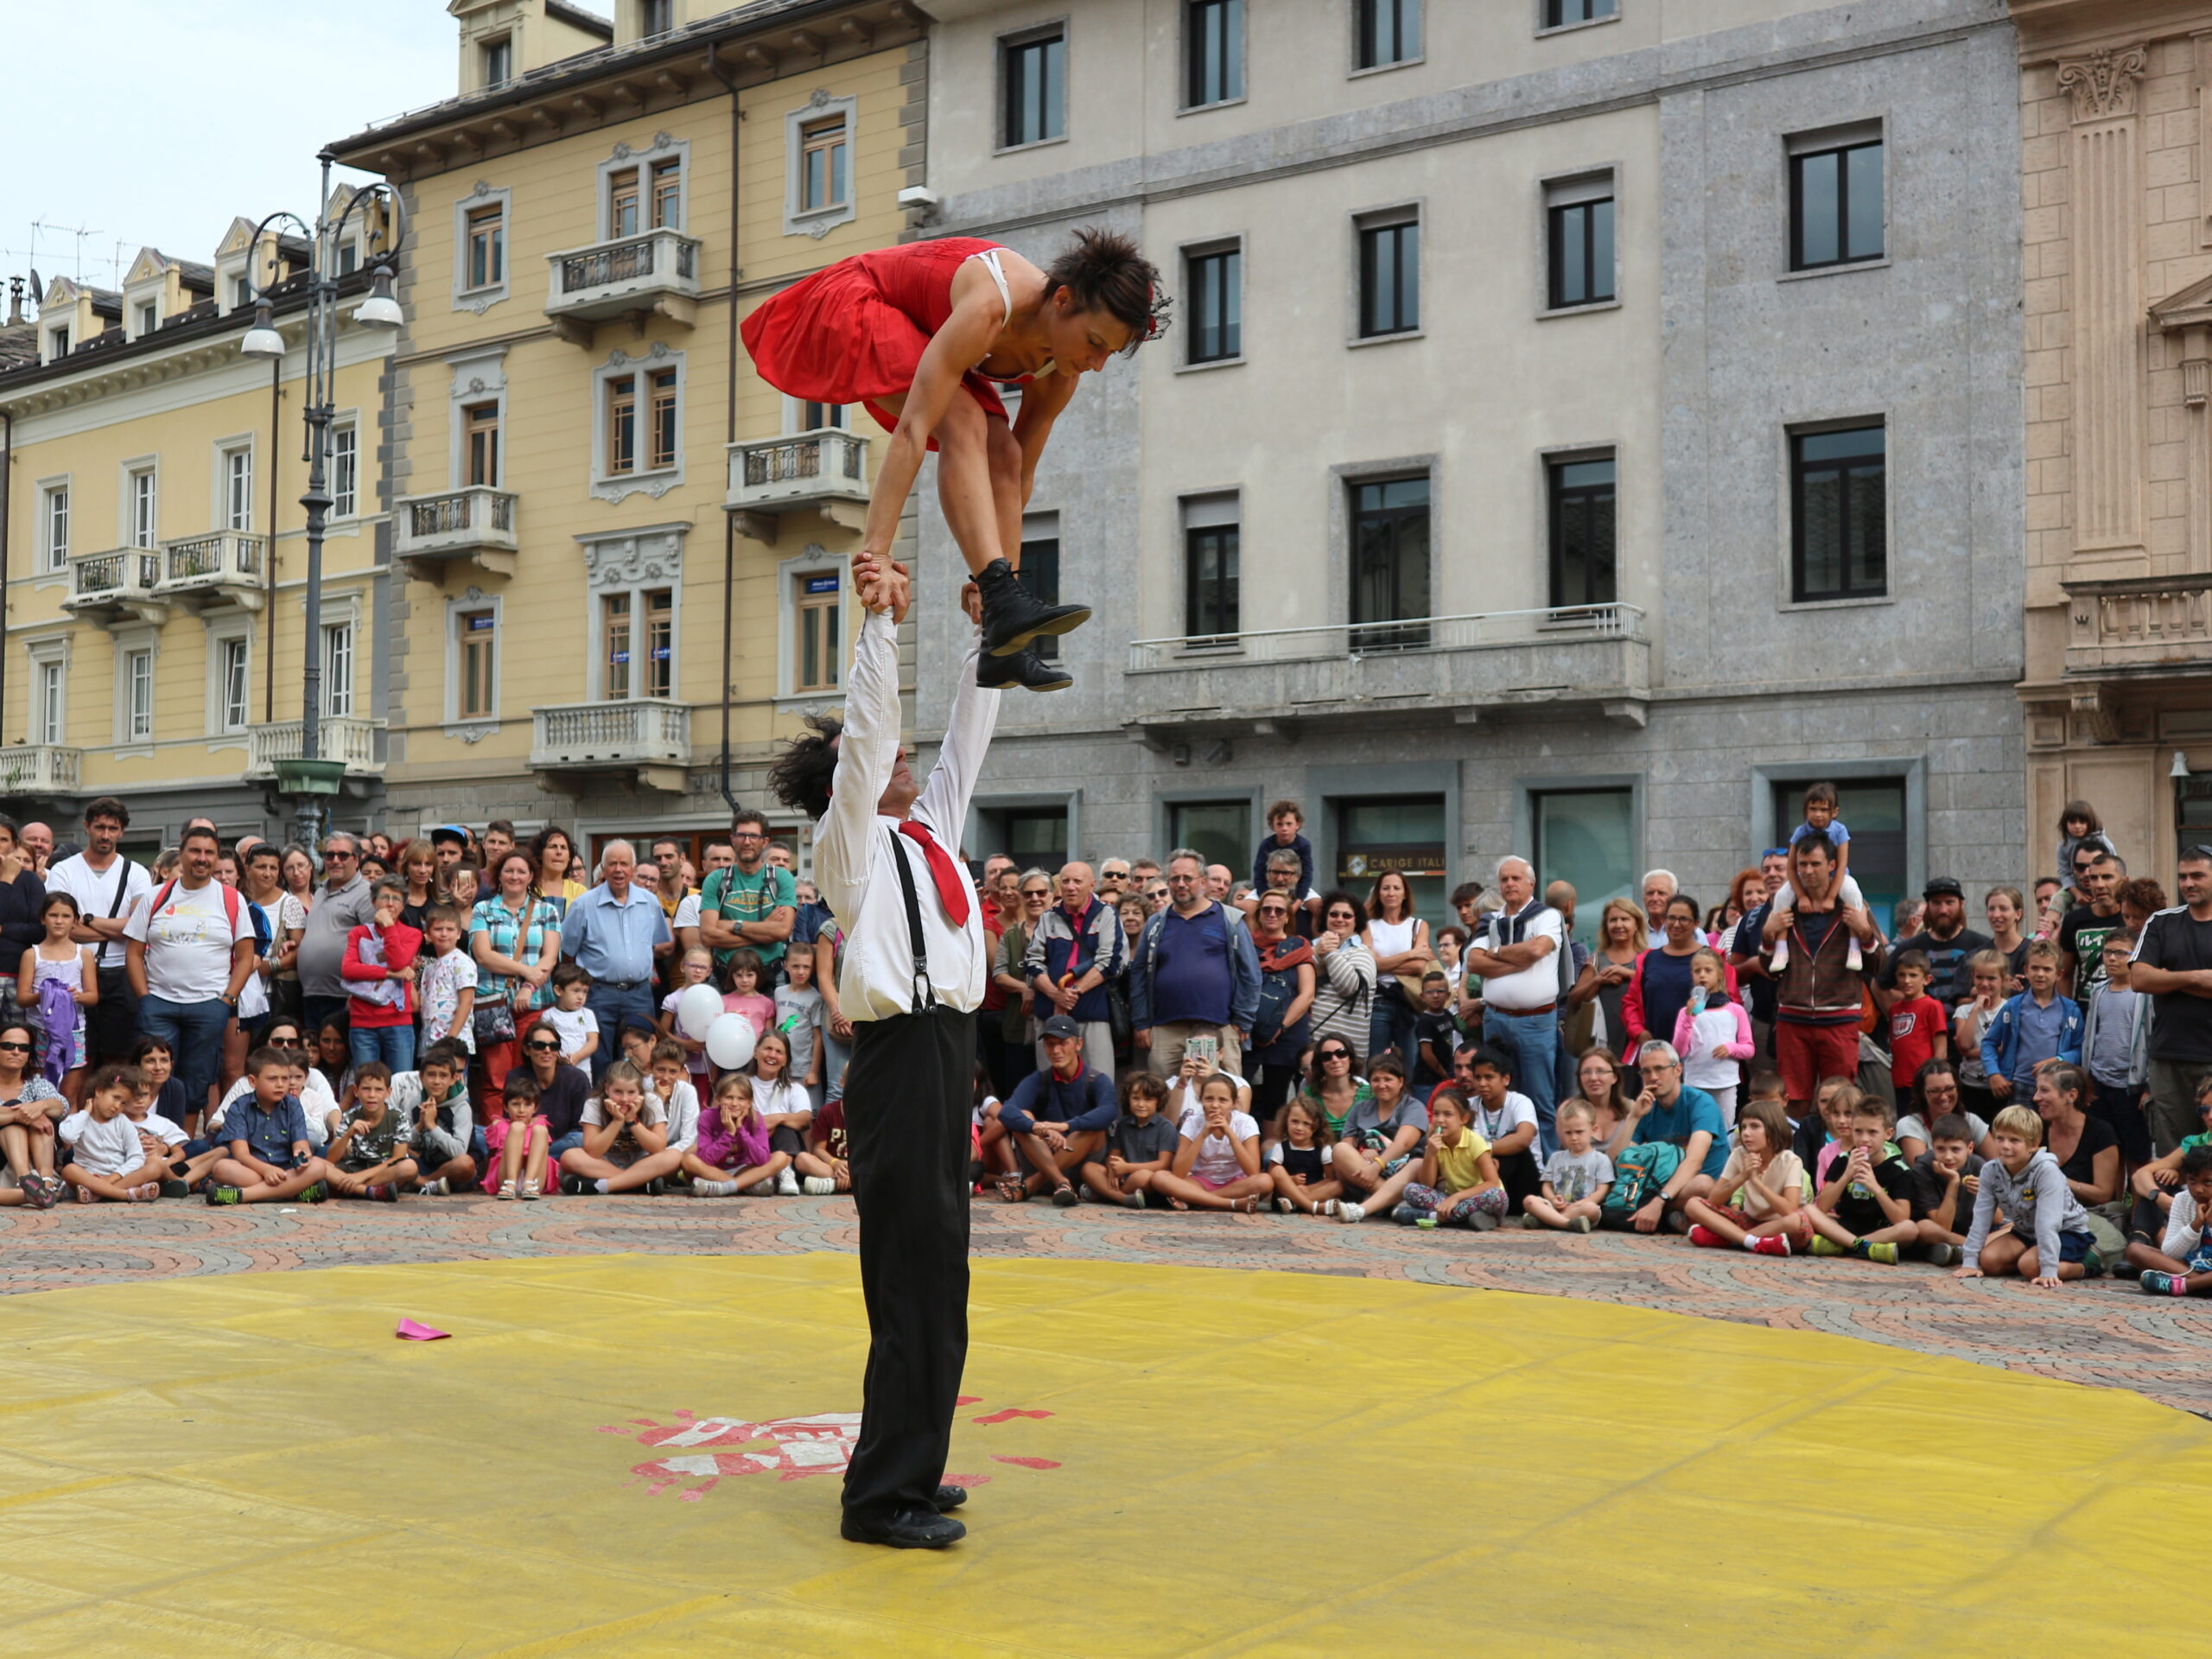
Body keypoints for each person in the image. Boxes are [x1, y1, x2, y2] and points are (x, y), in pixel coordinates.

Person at [766, 549, 998, 1550]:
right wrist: (881, 625)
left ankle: (917, 1466)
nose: (908, 759)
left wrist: (988, 635)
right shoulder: (847, 845)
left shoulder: (932, 831)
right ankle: (878, 1499)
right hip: (898, 1062)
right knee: (908, 1275)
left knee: (941, 1272)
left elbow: (970, 736)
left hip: (950, 1050)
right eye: (889, 756)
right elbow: (865, 741)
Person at [743, 228, 1163, 694]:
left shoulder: (1060, 373)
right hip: (855, 298)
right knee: (963, 420)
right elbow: (912, 430)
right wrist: (877, 556)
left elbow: (1015, 473)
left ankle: (1002, 636)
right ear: (1062, 300)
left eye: (1109, 353)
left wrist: (1000, 584)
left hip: (920, 330)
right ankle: (1003, 596)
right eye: (1094, 342)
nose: (1097, 363)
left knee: (1004, 449)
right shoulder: (990, 307)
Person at [125, 826, 256, 1125]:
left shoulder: (232, 899)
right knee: (150, 1077)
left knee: (196, 1082)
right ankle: (148, 1137)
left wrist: (226, 1000)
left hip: (209, 1005)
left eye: (209, 852)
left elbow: (245, 957)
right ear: (181, 853)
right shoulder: (156, 896)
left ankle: (181, 1143)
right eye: (195, 851)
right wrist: (145, 997)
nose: (202, 858)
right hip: (159, 1002)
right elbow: (133, 952)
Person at [1760, 830, 1884, 1117]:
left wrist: (1865, 932)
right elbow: (1769, 969)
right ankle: (1797, 1147)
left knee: (1841, 1101)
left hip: (1840, 1018)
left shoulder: (1853, 905)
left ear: (1832, 865)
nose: (1807, 871)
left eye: (1815, 864)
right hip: (1792, 1019)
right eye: (1802, 864)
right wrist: (1767, 937)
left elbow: (1879, 965)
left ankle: (1838, 1148)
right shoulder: (1785, 907)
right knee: (1794, 1100)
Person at [1460, 857, 1568, 1155]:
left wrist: (1494, 952)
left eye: (1516, 878)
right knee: (1498, 1096)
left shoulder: (1547, 916)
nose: (1509, 884)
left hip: (1535, 1021)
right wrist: (1518, 961)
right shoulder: (1489, 919)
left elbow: (1537, 949)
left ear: (1531, 883)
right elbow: (1474, 962)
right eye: (1504, 879)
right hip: (1495, 1019)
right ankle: (1510, 1162)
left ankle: (1545, 1166)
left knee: (1539, 1098)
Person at [42, 798, 153, 1069]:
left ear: (121, 831)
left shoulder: (136, 872)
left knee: (121, 1056)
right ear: (87, 827)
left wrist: (88, 920)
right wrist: (120, 929)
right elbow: (61, 925)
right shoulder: (64, 870)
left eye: (112, 829)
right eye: (100, 827)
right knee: (78, 1058)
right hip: (74, 970)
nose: (105, 835)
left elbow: (139, 927)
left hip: (121, 971)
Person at [1128, 850, 1252, 1078]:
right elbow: (1139, 975)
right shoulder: (1156, 923)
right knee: (1164, 1095)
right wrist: (1141, 1022)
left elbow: (1250, 973)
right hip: (1165, 1030)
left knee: (1217, 1095)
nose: (1181, 884)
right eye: (1175, 879)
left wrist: (1242, 1021)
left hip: (1218, 1028)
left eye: (1187, 878)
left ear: (1203, 881)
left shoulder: (1230, 920)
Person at [559, 841, 670, 1080]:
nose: (618, 869)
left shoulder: (650, 902)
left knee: (640, 1060)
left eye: (624, 864)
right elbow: (567, 952)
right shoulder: (584, 904)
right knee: (599, 1060)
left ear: (633, 868)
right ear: (603, 868)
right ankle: (601, 1103)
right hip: (599, 994)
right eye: (612, 864)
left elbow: (654, 944)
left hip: (640, 994)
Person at [1958, 1103, 2102, 1285]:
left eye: (2014, 1140)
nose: (2005, 1146)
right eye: (2000, 1138)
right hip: (2026, 1231)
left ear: (2033, 1145)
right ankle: (2027, 1261)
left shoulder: (2046, 1171)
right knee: (1989, 1261)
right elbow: (1981, 1217)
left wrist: (2048, 1270)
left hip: (2066, 1231)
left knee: (2030, 1266)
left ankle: (2088, 1265)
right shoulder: (1990, 1170)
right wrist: (1970, 1261)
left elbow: (2048, 1223)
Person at [2127, 844, 2212, 1156]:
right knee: (2171, 1155)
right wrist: (2196, 978)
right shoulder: (2161, 922)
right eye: (2183, 877)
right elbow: (2140, 979)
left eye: (2197, 875)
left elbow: (2153, 979)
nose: (2188, 883)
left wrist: (2167, 978)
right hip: (2169, 1057)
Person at [471, 851, 563, 1117]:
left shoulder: (547, 911)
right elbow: (483, 955)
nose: (515, 876)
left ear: (531, 876)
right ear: (499, 875)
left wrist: (528, 986)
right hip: (493, 1004)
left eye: (521, 871)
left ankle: (528, 1134)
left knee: (529, 1075)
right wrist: (525, 971)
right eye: (509, 871)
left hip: (534, 1004)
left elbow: (550, 957)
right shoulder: (483, 909)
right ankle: (495, 1136)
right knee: (495, 1078)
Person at [1605, 1040, 1725, 1232]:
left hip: (1692, 1187)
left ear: (1677, 1070)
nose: (1653, 1077)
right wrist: (1633, 1117)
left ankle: (1654, 1212)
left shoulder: (1701, 1103)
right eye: (1646, 1071)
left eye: (1659, 1069)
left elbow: (1694, 1162)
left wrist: (1659, 1201)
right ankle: (1667, 1216)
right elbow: (1614, 1162)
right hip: (1657, 1187)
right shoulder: (1646, 1106)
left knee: (1702, 1185)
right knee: (1609, 1185)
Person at [1023, 861, 1126, 1074]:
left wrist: (1073, 993)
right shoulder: (1047, 918)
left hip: (1093, 1013)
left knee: (1097, 1080)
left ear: (1092, 885)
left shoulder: (1107, 915)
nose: (1070, 887)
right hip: (1050, 1014)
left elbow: (1111, 961)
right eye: (1065, 881)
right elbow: (1032, 962)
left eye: (1077, 881)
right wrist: (1055, 995)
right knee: (1051, 1081)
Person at [1681, 1096, 1809, 1255]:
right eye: (1744, 1127)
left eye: (1755, 1126)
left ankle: (1730, 1239)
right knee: (1693, 1204)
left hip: (1779, 1224)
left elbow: (1789, 1210)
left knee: (1796, 1220)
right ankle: (1752, 1241)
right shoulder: (1739, 1154)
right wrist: (1743, 1176)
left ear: (1773, 1129)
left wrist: (1756, 1182)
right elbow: (1714, 1199)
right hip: (1750, 1221)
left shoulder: (1790, 1160)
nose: (1746, 1133)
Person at [205, 1048, 332, 1206]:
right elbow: (241, 1154)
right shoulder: (239, 1107)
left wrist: (302, 1154)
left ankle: (243, 1195)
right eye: (272, 1079)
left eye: (285, 1078)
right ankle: (293, 1193)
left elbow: (301, 1144)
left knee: (318, 1166)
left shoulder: (293, 1105)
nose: (280, 1085)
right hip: (253, 1170)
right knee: (222, 1168)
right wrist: (266, 1170)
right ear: (253, 1081)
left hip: (287, 1170)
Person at [1802, 1094, 1915, 1263]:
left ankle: (1845, 1246)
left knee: (1910, 1229)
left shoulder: (1898, 1169)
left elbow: (1901, 1218)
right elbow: (1823, 1206)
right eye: (1858, 1131)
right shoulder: (1843, 1159)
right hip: (1845, 1225)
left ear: (1888, 1134)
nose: (1864, 1139)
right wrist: (1847, 1175)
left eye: (1872, 1132)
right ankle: (1861, 1246)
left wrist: (1875, 1187)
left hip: (1880, 1230)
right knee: (1808, 1210)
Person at [1764, 784, 1867, 962]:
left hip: (1838, 877)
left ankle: (1854, 945)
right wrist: (1802, 896)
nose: (1818, 814)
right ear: (1805, 810)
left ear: (1834, 812)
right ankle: (1781, 948)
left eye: (1823, 810)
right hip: (1803, 881)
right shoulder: (1800, 832)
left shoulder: (1840, 830)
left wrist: (1831, 897)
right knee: (1781, 896)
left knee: (1852, 892)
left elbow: (1841, 865)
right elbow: (1791, 867)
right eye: (1813, 809)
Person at [558, 1058, 683, 1195]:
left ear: (640, 1092)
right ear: (607, 1089)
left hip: (643, 1164)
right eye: (618, 1092)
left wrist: (632, 1120)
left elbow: (658, 1147)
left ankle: (603, 1186)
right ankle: (639, 1184)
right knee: (569, 1157)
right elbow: (593, 1152)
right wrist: (617, 1121)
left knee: (674, 1156)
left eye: (631, 1092)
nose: (624, 1099)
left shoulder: (652, 1101)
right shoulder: (594, 1104)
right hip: (604, 1164)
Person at [1147, 1072, 1268, 1213]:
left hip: (1236, 1183)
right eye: (1209, 1099)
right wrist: (1203, 1134)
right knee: (1160, 1177)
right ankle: (1229, 1203)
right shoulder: (1192, 1122)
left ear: (1234, 1103)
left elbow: (1253, 1171)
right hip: (1200, 1181)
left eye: (1223, 1100)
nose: (1215, 1105)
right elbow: (1179, 1172)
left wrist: (1230, 1134)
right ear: (1201, 1099)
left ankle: (1197, 1200)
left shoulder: (1246, 1122)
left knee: (1265, 1181)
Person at [2079, 929, 2150, 1169]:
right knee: (2107, 1150)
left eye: (2120, 953)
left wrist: (2148, 1086)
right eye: (2107, 952)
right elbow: (2090, 1037)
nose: (2111, 958)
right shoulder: (2098, 991)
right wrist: (2087, 1078)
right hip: (2099, 1083)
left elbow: (2152, 1040)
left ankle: (2138, 1195)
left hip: (2130, 1088)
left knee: (2136, 1153)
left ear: (2135, 956)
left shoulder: (2145, 995)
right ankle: (2112, 1193)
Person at [1980, 941, 2083, 1105]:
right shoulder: (2013, 1007)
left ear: (2059, 974)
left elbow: (2080, 1050)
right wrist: (1994, 1073)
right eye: (2035, 968)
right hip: (2019, 1085)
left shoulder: (2071, 1010)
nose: (2040, 974)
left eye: (2047, 969)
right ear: (2026, 970)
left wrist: (2057, 1060)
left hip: (2056, 1088)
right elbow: (1988, 1043)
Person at [700, 809, 798, 982]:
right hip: (725, 976)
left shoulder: (781, 878)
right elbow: (707, 936)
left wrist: (734, 925)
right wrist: (765, 929)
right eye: (741, 836)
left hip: (771, 976)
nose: (747, 842)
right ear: (732, 839)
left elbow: (782, 931)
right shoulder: (715, 879)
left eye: (753, 836)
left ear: (765, 842)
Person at [1244, 892, 1315, 1127]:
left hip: (1287, 1034)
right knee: (1238, 1090)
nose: (1272, 914)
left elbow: (1307, 994)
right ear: (1259, 914)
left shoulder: (1299, 947)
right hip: (1247, 1031)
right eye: (1266, 909)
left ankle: (1270, 1147)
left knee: (1276, 1101)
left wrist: (1280, 1027)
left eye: (1279, 910)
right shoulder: (1244, 944)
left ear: (1288, 917)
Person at [1328, 1055, 1424, 1224]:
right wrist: (1362, 1153)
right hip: (1364, 1172)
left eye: (1388, 1079)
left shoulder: (1413, 1107)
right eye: (1376, 1080)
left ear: (1401, 1081)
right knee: (1339, 1150)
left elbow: (1403, 1144)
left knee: (1418, 1164)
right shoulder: (1360, 1109)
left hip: (1400, 1172)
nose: (1381, 1085)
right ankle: (1391, 1202)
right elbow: (1346, 1144)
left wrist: (1377, 1165)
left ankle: (1365, 1208)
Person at [340, 879, 422, 1074]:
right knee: (366, 1082)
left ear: (403, 906)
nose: (390, 904)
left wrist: (389, 927)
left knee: (400, 1082)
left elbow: (399, 962)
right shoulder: (359, 933)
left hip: (398, 1021)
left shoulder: (413, 934)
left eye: (396, 899)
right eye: (385, 897)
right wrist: (389, 974)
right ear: (373, 901)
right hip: (362, 1021)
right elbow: (348, 969)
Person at [1393, 1089, 1506, 1230]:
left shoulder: (1475, 1142)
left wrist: (1457, 1197)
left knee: (1496, 1196)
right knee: (1411, 1190)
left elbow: (1493, 1183)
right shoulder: (1436, 1141)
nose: (1440, 1120)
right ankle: (1469, 1219)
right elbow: (1427, 1184)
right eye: (1436, 1114)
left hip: (1479, 1198)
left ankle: (1432, 1217)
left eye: (1448, 1114)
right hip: (1452, 1200)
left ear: (1464, 1119)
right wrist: (1430, 1154)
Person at [20, 892, 94, 1100]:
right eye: (53, 915)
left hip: (73, 1032)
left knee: (69, 1093)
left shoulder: (84, 955)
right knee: (40, 1090)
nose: (59, 921)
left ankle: (69, 1123)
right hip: (39, 1031)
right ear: (43, 918)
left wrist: (77, 996)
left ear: (75, 920)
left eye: (66, 916)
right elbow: (22, 998)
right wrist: (43, 996)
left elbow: (93, 996)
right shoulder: (32, 955)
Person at [57, 1064, 168, 1203]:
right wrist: (85, 1112)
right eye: (116, 1098)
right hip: (90, 1178)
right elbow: (68, 1137)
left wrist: (113, 1177)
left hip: (120, 1177)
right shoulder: (79, 1120)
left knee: (155, 1166)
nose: (117, 1106)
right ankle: (125, 1195)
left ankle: (98, 1194)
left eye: (123, 1103)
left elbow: (137, 1157)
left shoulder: (122, 1122)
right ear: (99, 1091)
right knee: (69, 1170)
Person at [1881, 877, 1993, 1009]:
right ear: (1928, 906)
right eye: (1936, 903)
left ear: (1961, 904)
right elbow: (1879, 985)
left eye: (1949, 902)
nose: (1943, 910)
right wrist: (1895, 1017)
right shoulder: (1908, 947)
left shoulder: (1982, 945)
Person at [1671, 946, 1753, 1127]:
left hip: (1725, 1082)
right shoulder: (1685, 1012)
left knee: (1723, 1127)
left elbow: (1748, 1049)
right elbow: (1678, 1050)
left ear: (1720, 974)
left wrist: (1731, 1048)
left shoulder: (1735, 1010)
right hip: (1695, 1082)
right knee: (1695, 1126)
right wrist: (1689, 1018)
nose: (1702, 975)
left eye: (1708, 970)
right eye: (1697, 971)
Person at [1360, 870, 1432, 1072]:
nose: (1391, 893)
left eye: (1396, 888)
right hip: (1378, 1001)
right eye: (1386, 888)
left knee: (1409, 1065)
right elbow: (1371, 964)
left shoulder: (1418, 925)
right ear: (1378, 893)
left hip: (1408, 1001)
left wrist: (1383, 963)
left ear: (1405, 893)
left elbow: (1419, 966)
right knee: (1376, 1063)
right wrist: (1410, 954)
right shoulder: (1368, 926)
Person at [683, 1072, 790, 1197]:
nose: (734, 1103)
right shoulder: (707, 1117)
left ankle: (726, 1187)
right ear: (719, 1099)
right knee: (688, 1160)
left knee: (781, 1157)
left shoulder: (756, 1119)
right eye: (729, 1097)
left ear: (749, 1103)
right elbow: (705, 1160)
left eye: (741, 1099)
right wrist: (729, 1133)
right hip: (713, 1170)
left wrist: (741, 1131)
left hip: (744, 1169)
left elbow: (762, 1160)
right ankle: (746, 1186)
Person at [2126, 1143, 2212, 1294]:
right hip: (2192, 1265)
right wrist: (2195, 1226)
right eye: (2192, 1180)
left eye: (2208, 1182)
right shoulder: (2182, 1200)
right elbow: (2171, 1252)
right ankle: (2201, 1284)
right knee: (2135, 1250)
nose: (2198, 1189)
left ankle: (2185, 1286)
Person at [1519, 1099, 1614, 1232]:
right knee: (1529, 1200)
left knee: (1591, 1209)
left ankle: (1547, 1220)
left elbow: (1602, 1190)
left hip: (1580, 1209)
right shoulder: (1556, 1157)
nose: (1574, 1137)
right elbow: (1547, 1185)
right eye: (1568, 1133)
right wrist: (1553, 1199)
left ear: (1593, 1130)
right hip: (1556, 1207)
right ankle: (1567, 1223)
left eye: (1579, 1132)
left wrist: (1579, 1204)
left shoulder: (1601, 1159)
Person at [322, 1063, 415, 1202]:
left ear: (388, 1092)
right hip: (352, 1169)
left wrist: (360, 1177)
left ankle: (346, 1189)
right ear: (356, 1091)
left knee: (409, 1166)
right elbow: (331, 1159)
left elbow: (398, 1158)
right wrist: (348, 1134)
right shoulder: (350, 1117)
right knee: (317, 1164)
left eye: (378, 1090)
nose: (372, 1095)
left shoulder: (397, 1118)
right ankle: (368, 1191)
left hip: (382, 1172)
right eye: (366, 1089)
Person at [394, 1042, 477, 1195]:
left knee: (465, 1163)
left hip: (452, 1170)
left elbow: (459, 1151)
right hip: (424, 1164)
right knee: (393, 1150)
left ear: (453, 1079)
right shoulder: (416, 1103)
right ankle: (429, 1185)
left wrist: (432, 1126)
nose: (437, 1081)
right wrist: (420, 1125)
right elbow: (406, 1143)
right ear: (421, 1077)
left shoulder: (461, 1107)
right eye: (431, 1075)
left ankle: (423, 1183)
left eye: (443, 1076)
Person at [0, 1019, 66, 1207]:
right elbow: (17, 1114)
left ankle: (44, 1182)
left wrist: (41, 1106)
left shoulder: (36, 1083)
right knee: (17, 1112)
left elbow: (61, 1107)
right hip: (2, 1157)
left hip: (37, 1155)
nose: (16, 1052)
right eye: (8, 1046)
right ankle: (27, 1182)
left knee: (43, 1117)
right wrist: (19, 1115)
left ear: (29, 1054)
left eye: (23, 1048)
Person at [1878, 950, 1949, 1118]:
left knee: (1926, 1121)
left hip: (1924, 1081)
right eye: (1901, 975)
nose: (1906, 980)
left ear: (1927, 979)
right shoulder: (1894, 1009)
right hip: (1900, 1080)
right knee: (1905, 1121)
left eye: (1913, 975)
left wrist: (1935, 1078)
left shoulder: (1932, 1006)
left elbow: (1941, 1049)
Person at [1908, 1112, 1985, 1266]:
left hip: (1970, 1229)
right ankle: (1972, 1248)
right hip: (1940, 1233)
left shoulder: (1979, 1165)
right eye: (1941, 1149)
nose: (1948, 1157)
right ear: (1932, 1146)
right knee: (1924, 1228)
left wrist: (1985, 1195)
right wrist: (1953, 1182)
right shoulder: (1923, 1168)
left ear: (1970, 1148)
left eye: (1955, 1149)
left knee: (2009, 1227)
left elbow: (1997, 1218)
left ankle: (1958, 1251)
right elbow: (1943, 1226)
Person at [1307, 892, 1376, 1060]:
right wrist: (1317, 952)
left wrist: (1330, 952)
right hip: (1310, 1045)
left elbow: (1350, 988)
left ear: (1356, 922)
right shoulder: (1310, 949)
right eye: (1334, 914)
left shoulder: (1362, 953)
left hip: (1346, 1052)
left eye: (1347, 915)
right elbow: (1295, 981)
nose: (1339, 919)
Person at [2056, 849, 2125, 1008]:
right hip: (2085, 1011)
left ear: (2123, 881)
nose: (2099, 885)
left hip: (2126, 1011)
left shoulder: (2134, 920)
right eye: (2093, 878)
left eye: (2107, 877)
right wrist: (2067, 1014)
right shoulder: (2074, 920)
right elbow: (2065, 976)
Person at [0, 816, 48, 1022]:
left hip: (19, 975)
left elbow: (40, 930)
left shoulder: (30, 881)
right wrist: (6, 881)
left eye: (3, 840)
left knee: (17, 1038)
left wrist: (5, 930)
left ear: (14, 844)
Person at [1951, 949, 2008, 1121]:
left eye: (1991, 978)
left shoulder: (2010, 1008)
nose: (1984, 983)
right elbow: (1964, 1045)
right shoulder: (1964, 1011)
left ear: (2004, 980)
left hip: (2000, 1085)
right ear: (1972, 977)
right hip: (1969, 1084)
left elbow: (2006, 1048)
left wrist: (1971, 1053)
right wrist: (1976, 1008)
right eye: (1979, 977)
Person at [1263, 1096, 1340, 1217]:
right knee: (1277, 1170)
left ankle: (1296, 1203)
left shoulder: (1323, 1148)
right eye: (1294, 1121)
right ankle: (1311, 1206)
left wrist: (1308, 1189)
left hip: (1313, 1192)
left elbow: (1330, 1179)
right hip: (1286, 1194)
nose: (1299, 1128)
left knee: (1338, 1185)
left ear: (1316, 1126)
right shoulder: (1281, 1148)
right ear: (1286, 1121)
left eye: (1306, 1124)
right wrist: (1291, 1180)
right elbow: (1273, 1176)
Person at [481, 1070, 551, 1201]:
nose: (521, 1110)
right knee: (517, 1127)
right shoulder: (500, 1124)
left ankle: (529, 1183)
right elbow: (491, 1153)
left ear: (535, 1108)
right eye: (515, 1104)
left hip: (535, 1179)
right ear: (506, 1107)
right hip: (506, 1177)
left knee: (540, 1130)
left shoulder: (540, 1124)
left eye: (527, 1105)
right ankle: (511, 1183)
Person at [539, 964, 601, 1071]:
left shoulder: (587, 1014)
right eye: (576, 991)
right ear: (559, 990)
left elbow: (593, 1042)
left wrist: (577, 1057)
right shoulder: (549, 1015)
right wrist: (559, 1058)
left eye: (585, 992)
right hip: (555, 1069)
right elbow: (545, 1041)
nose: (581, 997)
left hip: (583, 1069)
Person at [528, 825, 588, 912]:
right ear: (540, 854)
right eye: (553, 847)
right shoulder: (529, 889)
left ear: (569, 857)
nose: (559, 852)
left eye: (563, 847)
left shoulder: (579, 891)